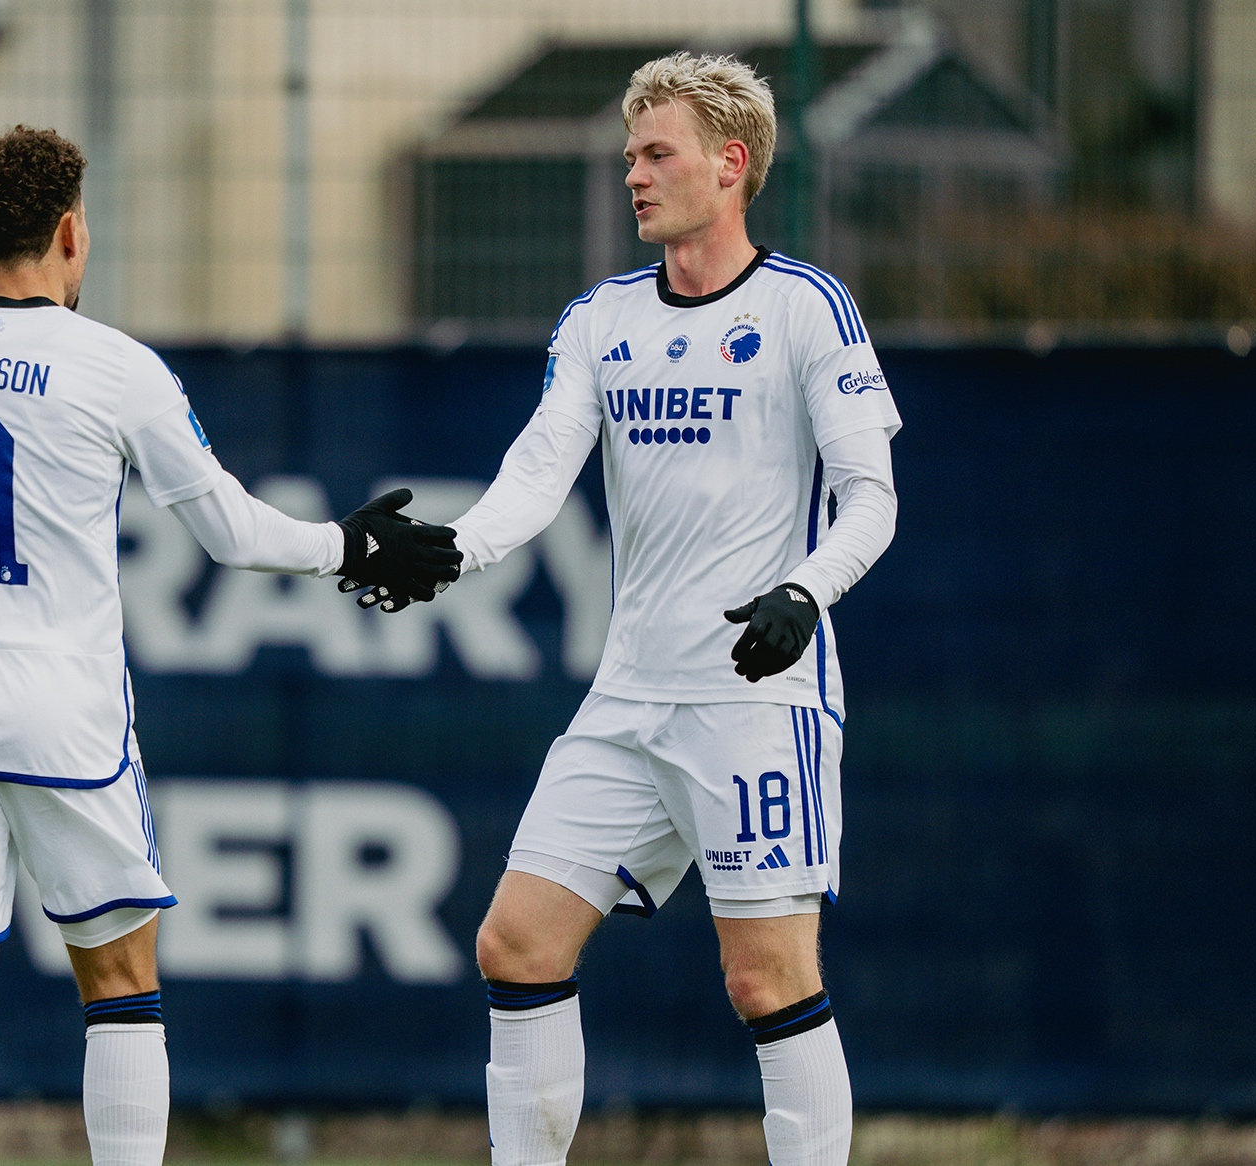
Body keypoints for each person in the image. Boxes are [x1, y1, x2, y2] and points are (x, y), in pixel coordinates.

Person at [0, 126, 459, 1166]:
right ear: (69, 230)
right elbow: (231, 532)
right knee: (118, 976)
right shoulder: (112, 367)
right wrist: (346, 543)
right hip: (66, 711)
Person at [425, 54, 901, 1166]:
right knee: (514, 943)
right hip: (626, 698)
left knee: (766, 976)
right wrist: (451, 549)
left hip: (754, 696)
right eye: (629, 152)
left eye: (655, 152)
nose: (632, 172)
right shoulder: (601, 319)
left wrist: (802, 588)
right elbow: (536, 476)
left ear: (730, 164)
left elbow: (871, 500)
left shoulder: (803, 307)